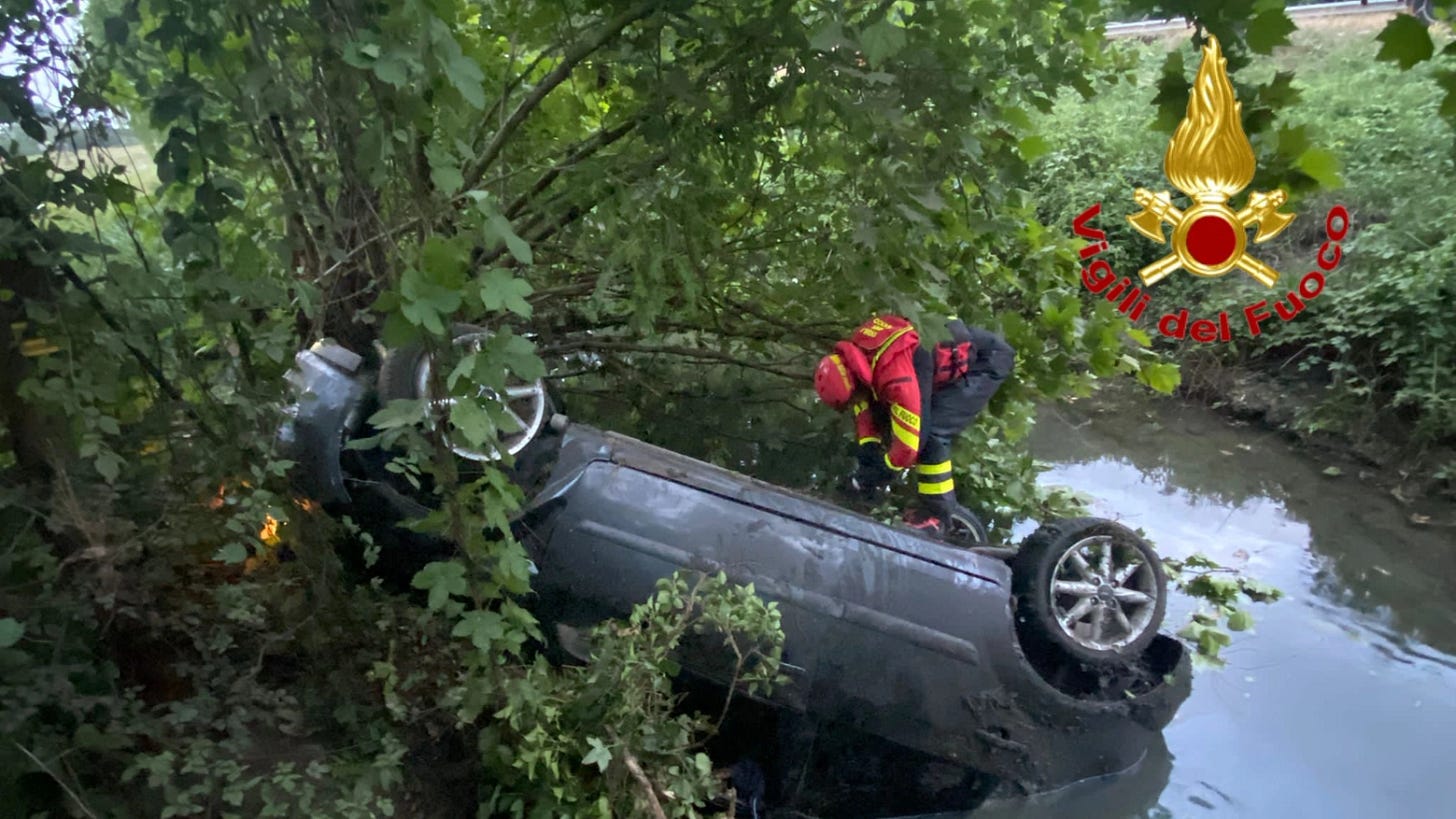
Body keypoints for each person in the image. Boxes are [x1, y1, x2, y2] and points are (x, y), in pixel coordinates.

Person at [813, 313, 1015, 538]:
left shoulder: (895, 376)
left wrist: (882, 470)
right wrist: (867, 448)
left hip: (984, 361)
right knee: (887, 418)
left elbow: (911, 445)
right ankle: (927, 506)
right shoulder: (860, 357)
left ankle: (936, 516)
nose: (854, 403)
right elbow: (865, 406)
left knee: (933, 434)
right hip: (934, 357)